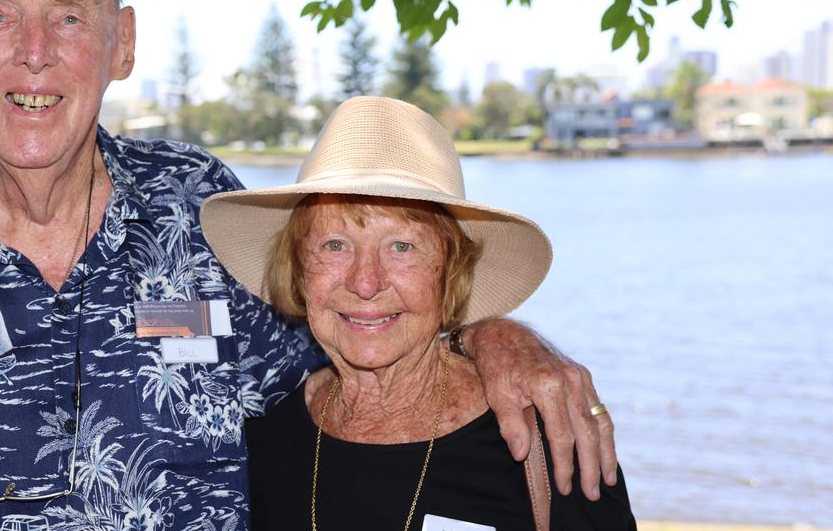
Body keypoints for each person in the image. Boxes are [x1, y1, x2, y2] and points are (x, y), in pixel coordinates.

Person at [0, 0, 617, 530]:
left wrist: (495, 333)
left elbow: (361, 327)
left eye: (69, 15)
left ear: (121, 44)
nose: (33, 50)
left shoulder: (198, 214)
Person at [201, 96, 635, 530]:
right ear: (298, 270)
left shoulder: (544, 434)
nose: (365, 282)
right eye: (335, 245)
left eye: (401, 247)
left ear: (450, 269)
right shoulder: (264, 441)